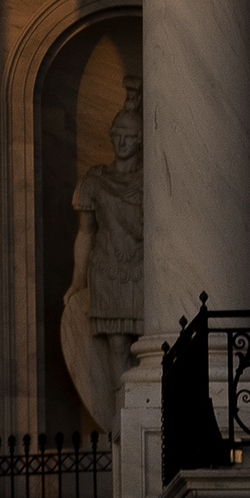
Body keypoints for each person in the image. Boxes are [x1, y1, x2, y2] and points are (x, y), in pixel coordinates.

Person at [59, 93, 145, 436]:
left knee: (149, 344)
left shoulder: (149, 181)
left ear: (140, 140)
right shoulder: (94, 182)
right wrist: (77, 282)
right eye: (117, 135)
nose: (121, 142)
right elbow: (85, 234)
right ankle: (123, 416)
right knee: (118, 345)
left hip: (141, 270)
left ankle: (150, 413)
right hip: (107, 270)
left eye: (129, 136)